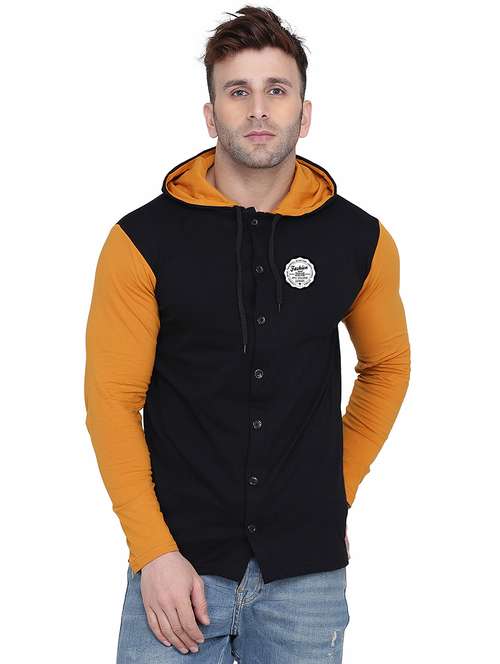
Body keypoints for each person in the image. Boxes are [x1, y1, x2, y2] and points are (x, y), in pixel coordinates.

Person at [84, 5, 411, 662]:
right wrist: (153, 551)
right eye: (238, 91)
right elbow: (112, 402)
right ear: (211, 114)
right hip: (178, 569)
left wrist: (335, 490)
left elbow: (388, 367)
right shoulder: (140, 242)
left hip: (306, 577)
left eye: (276, 90)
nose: (258, 109)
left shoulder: (360, 240)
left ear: (304, 113)